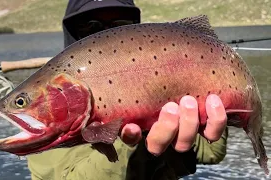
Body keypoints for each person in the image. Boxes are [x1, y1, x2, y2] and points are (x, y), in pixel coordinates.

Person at [27, 0, 228, 179]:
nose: (104, 36)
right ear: (71, 36)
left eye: (119, 26)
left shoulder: (157, 77)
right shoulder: (46, 104)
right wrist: (135, 132)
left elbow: (210, 153)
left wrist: (205, 91)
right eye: (90, 27)